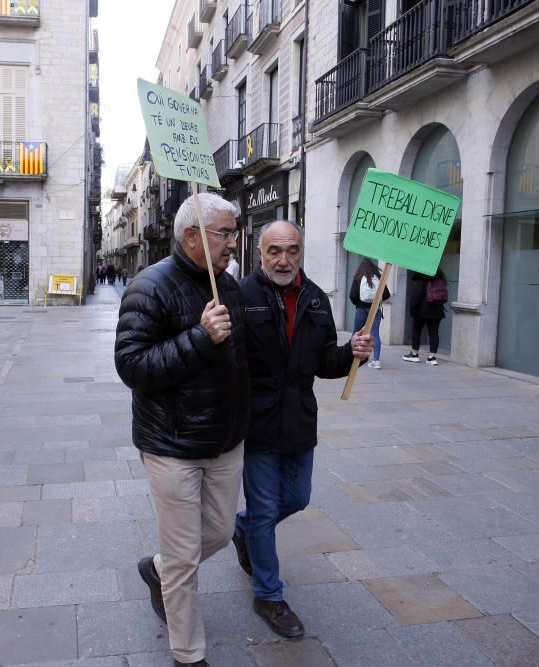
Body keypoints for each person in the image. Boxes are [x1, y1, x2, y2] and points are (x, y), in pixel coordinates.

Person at [115, 192, 249, 667]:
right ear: (192, 236)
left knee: (217, 532)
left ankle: (157, 570)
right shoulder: (149, 287)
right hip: (172, 445)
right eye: (225, 233)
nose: (234, 242)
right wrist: (198, 337)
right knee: (186, 557)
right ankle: (188, 653)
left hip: (225, 441)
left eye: (234, 232)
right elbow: (133, 367)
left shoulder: (229, 288)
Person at [233, 221, 372, 639]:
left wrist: (353, 354)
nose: (283, 259)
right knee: (263, 511)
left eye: (292, 250)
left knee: (297, 497)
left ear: (301, 253)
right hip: (257, 424)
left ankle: (242, 530)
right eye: (274, 250)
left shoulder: (314, 299)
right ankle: (269, 595)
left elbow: (326, 362)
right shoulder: (241, 296)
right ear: (260, 254)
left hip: (299, 422)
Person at [349, 258, 391, 369]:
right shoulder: (378, 278)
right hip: (375, 309)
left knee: (356, 332)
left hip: (361, 309)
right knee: (375, 334)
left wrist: (358, 303)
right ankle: (376, 361)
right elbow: (387, 294)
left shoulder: (358, 277)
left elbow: (353, 295)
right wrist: (378, 300)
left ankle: (351, 356)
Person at [403, 269, 447, 366]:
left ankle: (414, 355)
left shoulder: (422, 279)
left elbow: (416, 296)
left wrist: (412, 310)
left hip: (422, 311)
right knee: (434, 333)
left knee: (416, 331)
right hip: (437, 310)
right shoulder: (441, 279)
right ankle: (432, 357)